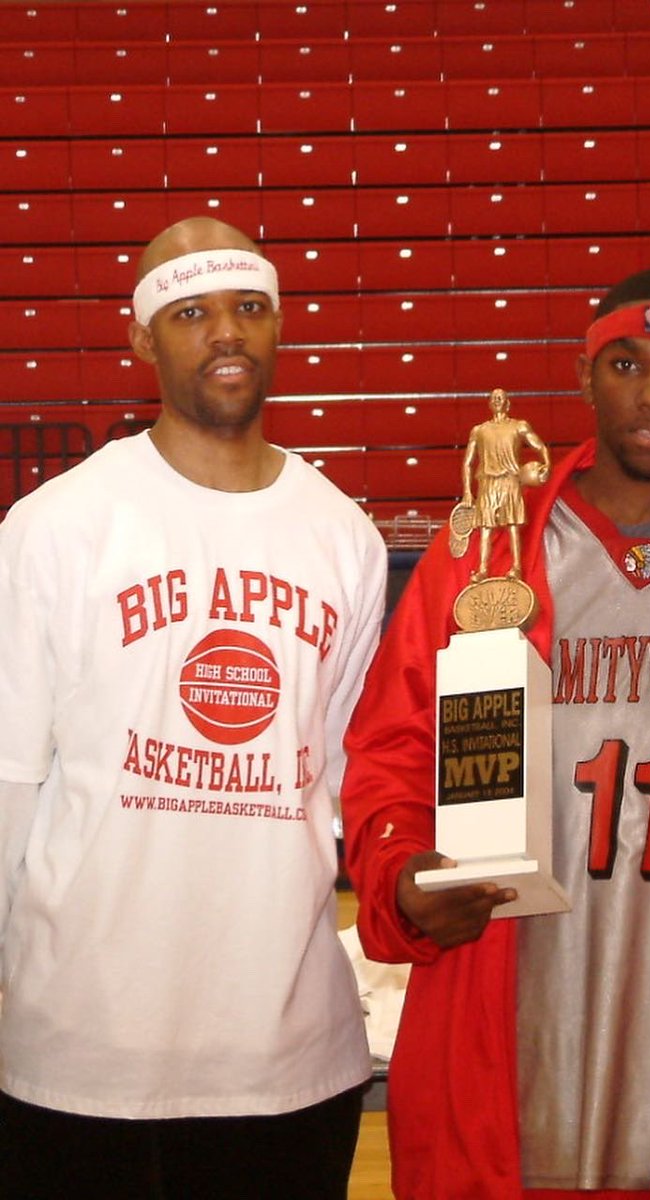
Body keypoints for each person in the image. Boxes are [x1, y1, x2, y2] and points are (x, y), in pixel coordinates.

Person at [341, 268, 650, 1199]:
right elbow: (393, 747)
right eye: (626, 364)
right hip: (508, 988)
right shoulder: (488, 552)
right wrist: (404, 873)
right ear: (583, 375)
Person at [0, 217, 387, 1199]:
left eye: (249, 306)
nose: (225, 331)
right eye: (190, 312)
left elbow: (343, 775)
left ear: (278, 326)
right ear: (142, 338)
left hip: (287, 1055)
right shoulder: (55, 528)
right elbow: (8, 781)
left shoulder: (344, 537)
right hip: (83, 1053)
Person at [462, 386, 551, 580]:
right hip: (487, 481)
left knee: (512, 525)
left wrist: (546, 464)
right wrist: (467, 491)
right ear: (489, 403)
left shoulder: (519, 426)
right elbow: (468, 462)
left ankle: (516, 567)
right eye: (494, 397)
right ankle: (483, 569)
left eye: (500, 397)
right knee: (486, 527)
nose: (497, 400)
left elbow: (539, 446)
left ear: (507, 403)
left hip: (510, 480)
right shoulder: (479, 430)